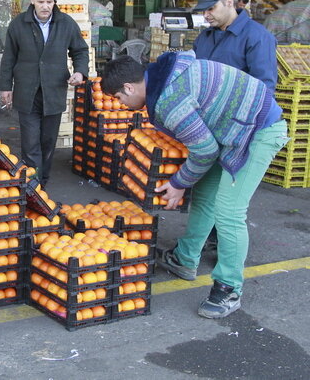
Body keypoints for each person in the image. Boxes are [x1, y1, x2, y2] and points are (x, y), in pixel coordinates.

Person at [101, 53, 287, 318]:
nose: (119, 104)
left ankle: (229, 288)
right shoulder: (164, 74)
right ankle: (186, 259)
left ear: (129, 87)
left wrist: (178, 183)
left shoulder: (169, 101)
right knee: (204, 196)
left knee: (229, 212)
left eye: (118, 97)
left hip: (258, 130)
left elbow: (205, 151)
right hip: (230, 127)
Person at [192, 0, 279, 256]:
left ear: (230, 2)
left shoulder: (257, 37)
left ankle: (225, 258)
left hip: (243, 130)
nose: (206, 15)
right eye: (203, 10)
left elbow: (264, 87)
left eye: (211, 8)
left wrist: (242, 128)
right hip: (212, 129)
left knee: (230, 203)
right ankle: (205, 239)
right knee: (205, 193)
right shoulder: (205, 38)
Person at [0, 0, 89, 187]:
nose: (45, 6)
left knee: (48, 142)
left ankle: (43, 181)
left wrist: (80, 71)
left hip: (54, 91)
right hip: (26, 91)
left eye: (49, 1)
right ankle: (32, 185)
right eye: (41, 1)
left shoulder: (66, 23)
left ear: (55, 2)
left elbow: (80, 50)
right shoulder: (19, 24)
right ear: (32, 1)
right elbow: (8, 58)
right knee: (30, 143)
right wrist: (5, 86)